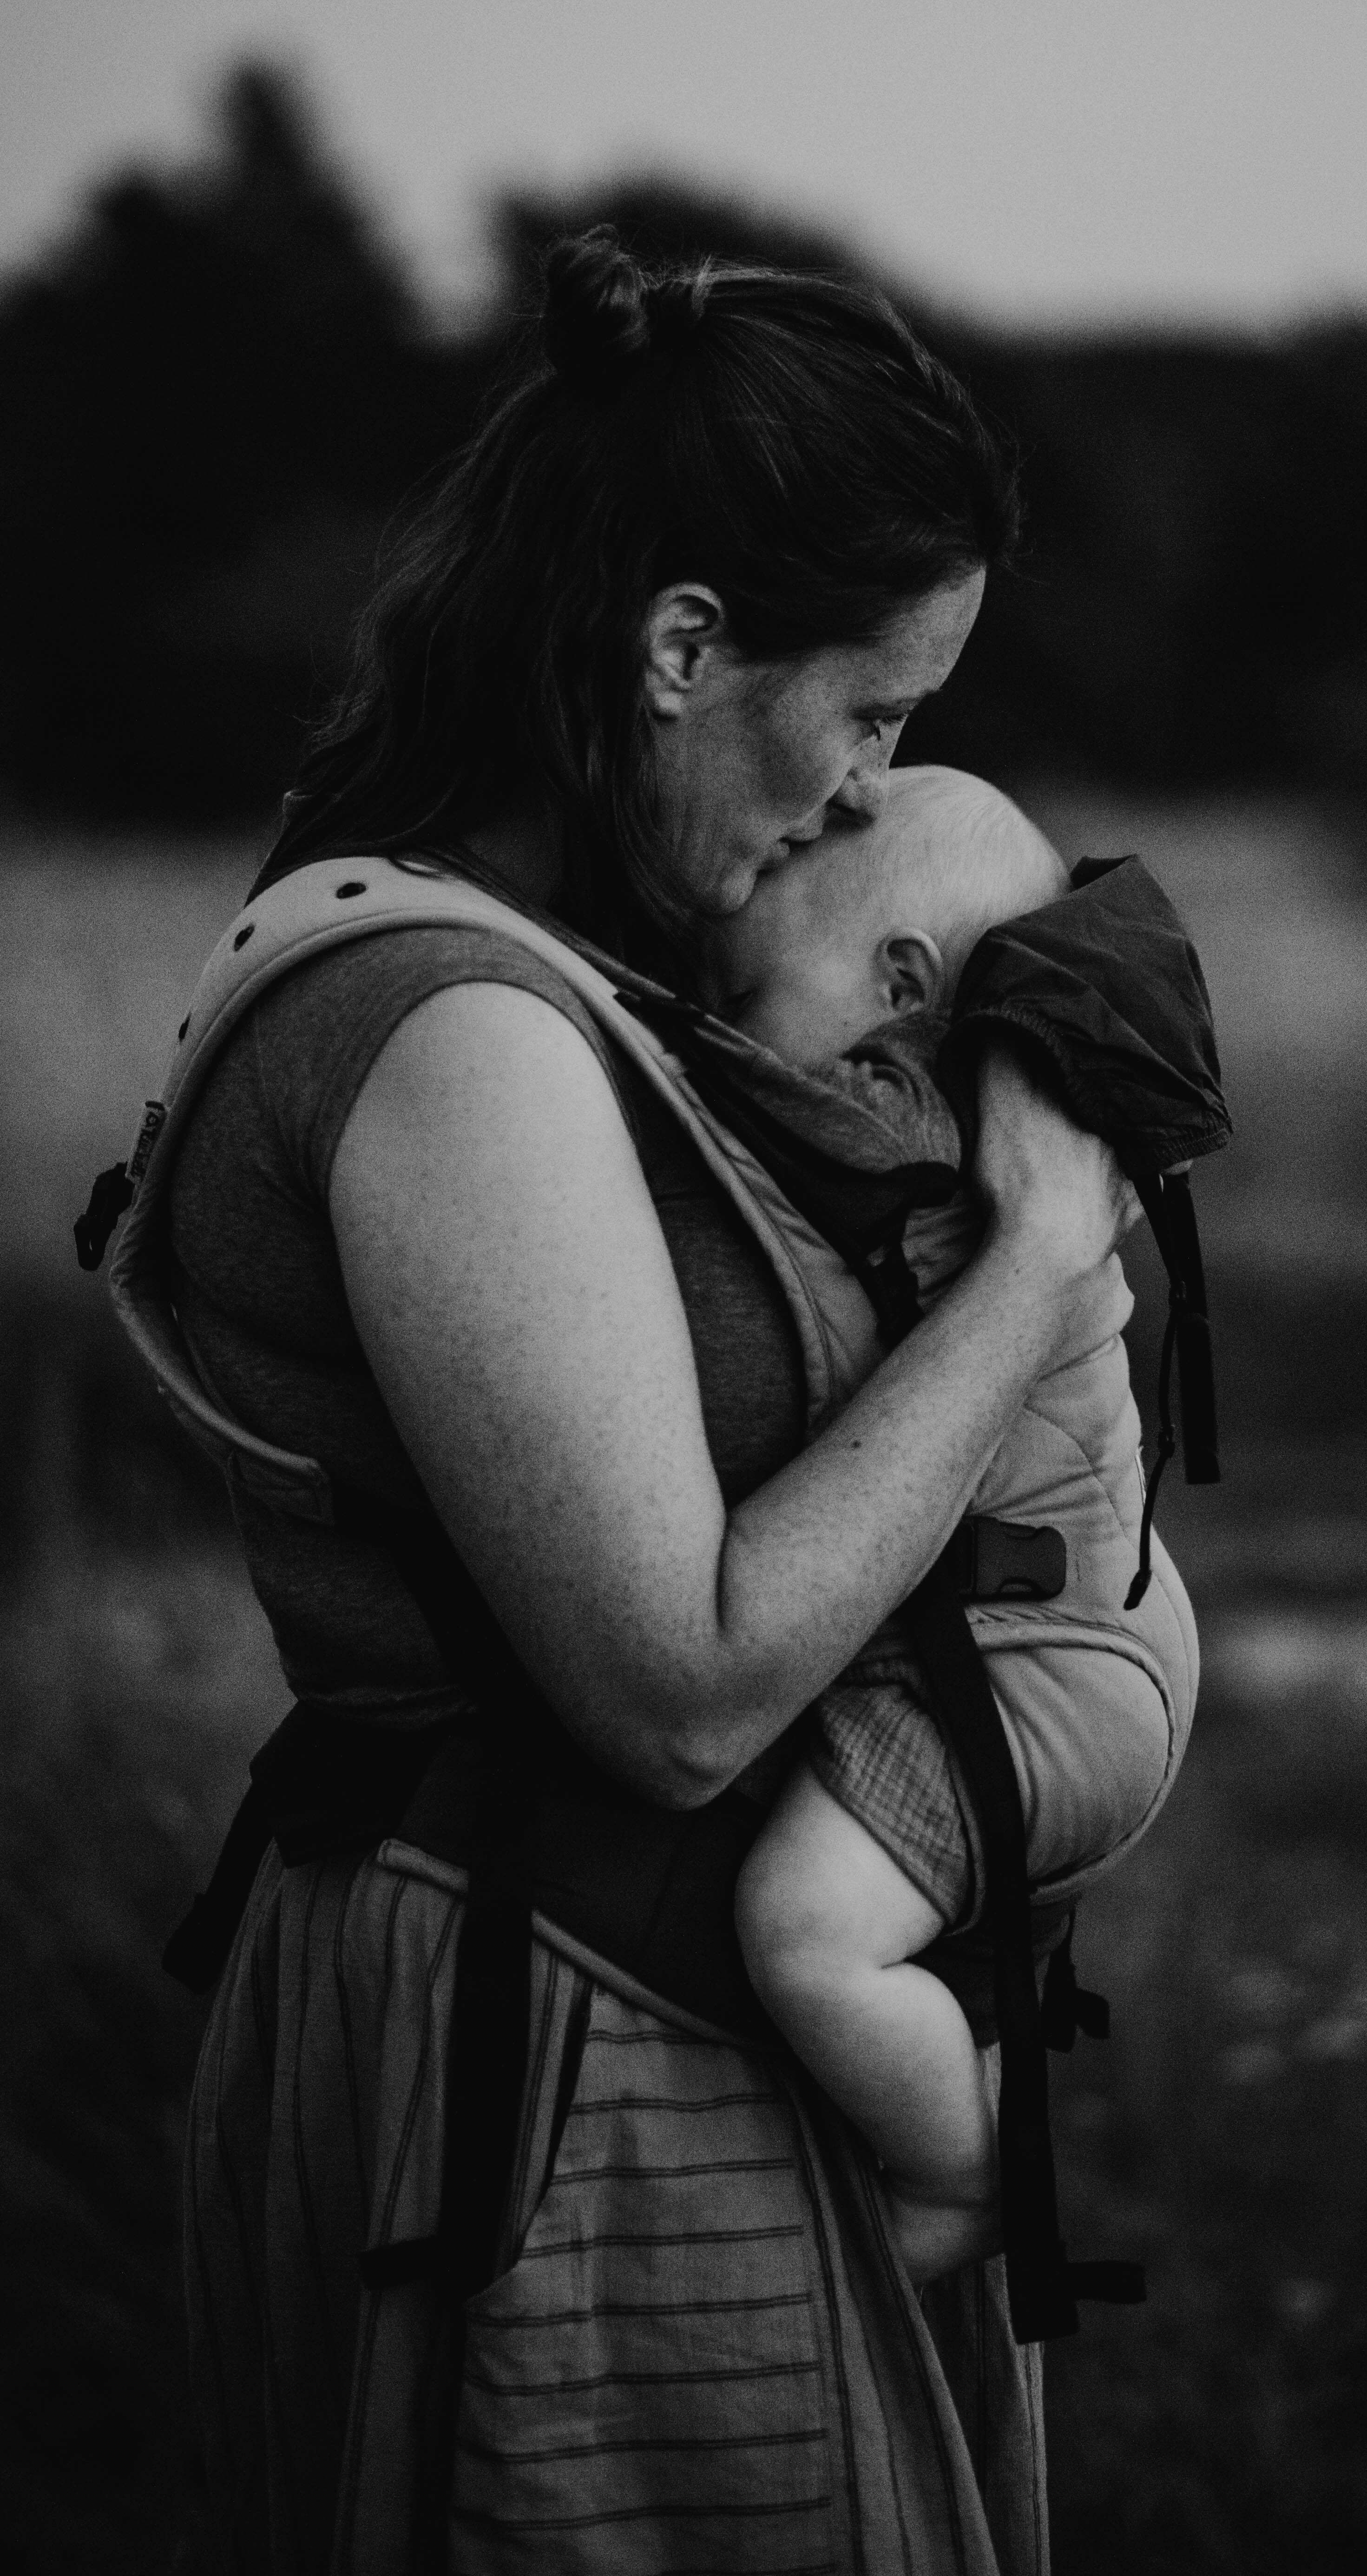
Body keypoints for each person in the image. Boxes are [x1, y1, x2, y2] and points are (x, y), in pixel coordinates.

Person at [156, 228, 1139, 2573]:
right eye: (868, 715)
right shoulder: (455, 1031)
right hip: (560, 2067)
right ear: (682, 647)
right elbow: (679, 1691)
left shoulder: (585, 966)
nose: (873, 792)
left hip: (667, 2034)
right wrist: (1037, 1252)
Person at [694, 764, 1198, 2289]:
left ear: (903, 988)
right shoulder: (1017, 1122)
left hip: (1031, 1666)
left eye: (743, 990)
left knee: (803, 1933)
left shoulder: (901, 1117)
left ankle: (957, 2171)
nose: (715, 1020)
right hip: (1086, 1626)